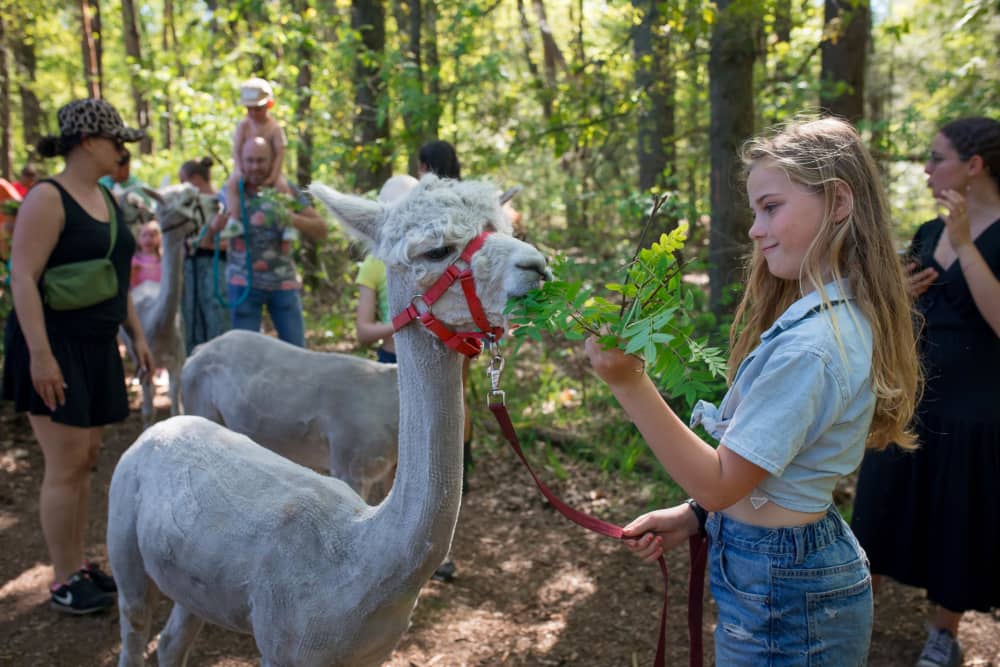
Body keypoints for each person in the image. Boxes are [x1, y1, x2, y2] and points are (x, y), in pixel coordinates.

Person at [585, 118, 920, 664]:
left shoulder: (812, 348)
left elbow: (721, 482)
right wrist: (697, 515)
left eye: (771, 207)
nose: (755, 230)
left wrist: (629, 382)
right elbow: (763, 473)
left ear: (837, 202)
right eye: (755, 211)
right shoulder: (821, 323)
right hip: (784, 576)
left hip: (788, 597)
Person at [851, 117, 1000, 667]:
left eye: (937, 157)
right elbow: (896, 315)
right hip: (912, 395)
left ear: (974, 165)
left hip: (977, 407)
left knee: (956, 520)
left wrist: (965, 244)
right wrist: (897, 294)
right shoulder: (928, 233)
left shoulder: (985, 234)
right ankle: (846, 614)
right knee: (880, 506)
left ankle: (943, 634)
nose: (927, 168)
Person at [1, 98, 154, 615]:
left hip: (96, 345)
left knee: (87, 458)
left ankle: (80, 565)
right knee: (65, 463)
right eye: (117, 142)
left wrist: (136, 333)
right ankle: (63, 577)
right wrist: (41, 358)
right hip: (54, 344)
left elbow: (115, 275)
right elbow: (21, 276)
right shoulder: (47, 197)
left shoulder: (105, 198)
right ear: (89, 142)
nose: (123, 151)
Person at [208, 136, 326, 347]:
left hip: (283, 284)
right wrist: (214, 228)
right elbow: (205, 240)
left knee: (296, 351)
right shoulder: (228, 192)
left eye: (261, 160)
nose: (255, 166)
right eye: (250, 160)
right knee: (245, 354)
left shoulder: (286, 191)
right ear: (241, 162)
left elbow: (321, 228)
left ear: (273, 161)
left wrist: (292, 218)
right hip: (242, 285)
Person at [355, 175, 418, 363]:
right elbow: (363, 332)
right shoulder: (374, 263)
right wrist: (403, 321)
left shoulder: (435, 258)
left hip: (432, 363)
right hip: (391, 360)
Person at [222, 77, 292, 229]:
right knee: (232, 184)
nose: (253, 113)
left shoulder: (274, 128)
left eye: (258, 109)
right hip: (245, 171)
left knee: (282, 188)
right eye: (249, 109)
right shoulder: (244, 125)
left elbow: (280, 153)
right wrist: (240, 169)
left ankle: (287, 226)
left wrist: (273, 176)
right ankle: (234, 220)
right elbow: (237, 149)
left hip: (269, 171)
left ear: (269, 105)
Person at [179, 156, 230, 354]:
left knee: (215, 320)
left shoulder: (223, 201)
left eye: (183, 180)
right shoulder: (189, 205)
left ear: (195, 178)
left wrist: (203, 244)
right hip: (193, 272)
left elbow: (235, 241)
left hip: (215, 268)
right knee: (194, 321)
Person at [130, 220, 162, 288]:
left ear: (159, 238)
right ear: (138, 239)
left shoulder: (162, 259)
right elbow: (131, 282)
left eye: (152, 235)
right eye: (144, 235)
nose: (148, 239)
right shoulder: (134, 260)